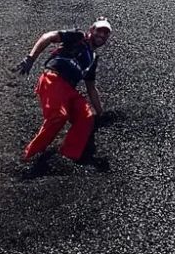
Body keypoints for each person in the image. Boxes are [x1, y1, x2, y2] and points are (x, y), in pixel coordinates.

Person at [15, 19, 112, 162]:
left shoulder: (93, 58)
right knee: (58, 115)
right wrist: (30, 58)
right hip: (53, 79)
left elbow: (91, 88)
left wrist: (101, 113)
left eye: (106, 33)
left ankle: (67, 157)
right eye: (99, 30)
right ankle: (30, 157)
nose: (102, 35)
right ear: (91, 30)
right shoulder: (78, 37)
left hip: (70, 89)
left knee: (86, 117)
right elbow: (48, 36)